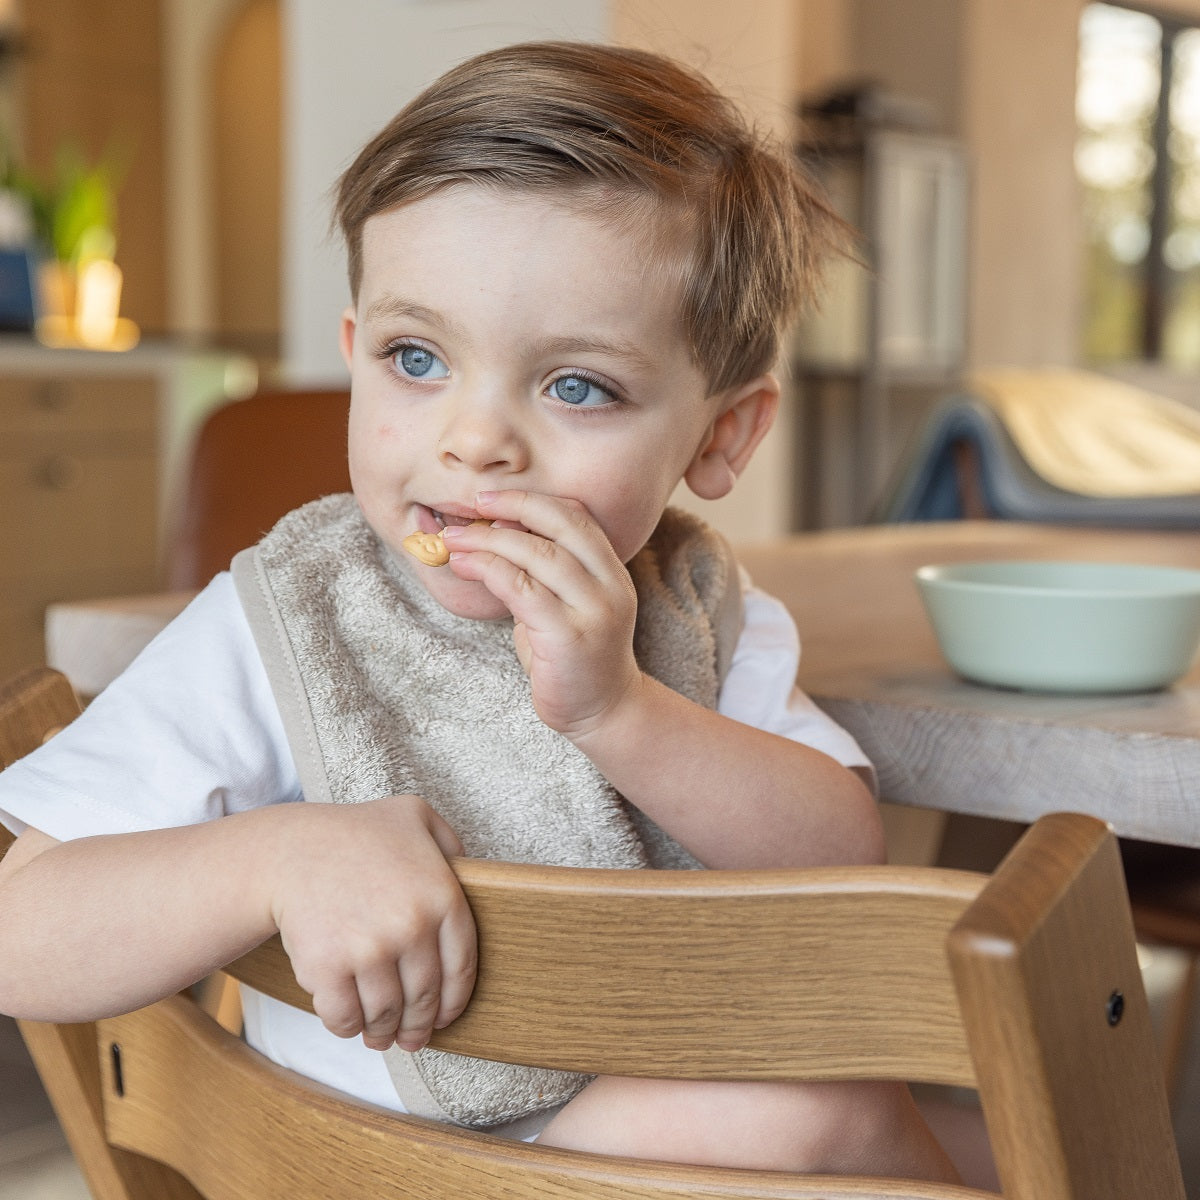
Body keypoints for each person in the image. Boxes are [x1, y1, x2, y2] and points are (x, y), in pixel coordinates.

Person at [0, 41, 958, 1182]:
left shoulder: (692, 613)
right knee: (829, 1122)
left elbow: (840, 855)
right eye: (417, 359)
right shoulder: (287, 624)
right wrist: (273, 860)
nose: (476, 439)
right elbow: (20, 930)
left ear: (720, 437)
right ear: (356, 359)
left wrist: (622, 712)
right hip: (394, 1155)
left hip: (630, 1108)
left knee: (957, 1121)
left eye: (575, 386)